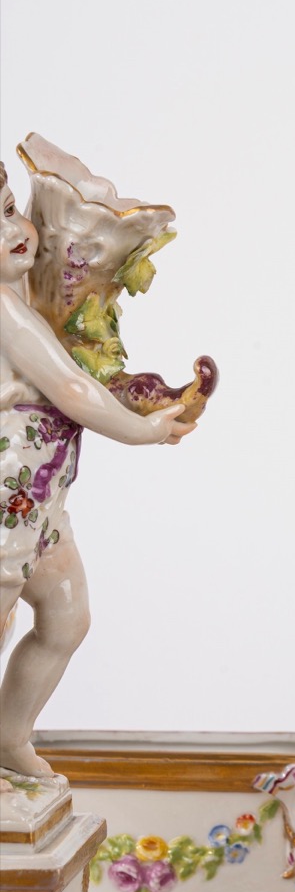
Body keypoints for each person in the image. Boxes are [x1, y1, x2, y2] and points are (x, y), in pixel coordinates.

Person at [0, 161, 195, 778]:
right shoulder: (5, 311)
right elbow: (70, 389)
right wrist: (141, 431)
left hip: (41, 498)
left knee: (65, 618)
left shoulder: (22, 299)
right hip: (8, 498)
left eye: (10, 209)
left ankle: (8, 738)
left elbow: (84, 373)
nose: (16, 230)